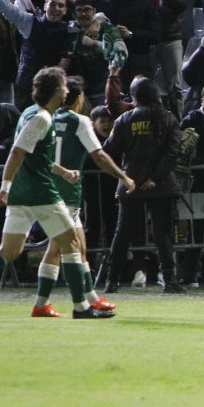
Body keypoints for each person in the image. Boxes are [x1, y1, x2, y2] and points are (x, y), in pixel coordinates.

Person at [0, 68, 130, 321]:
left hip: (21, 194)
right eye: (63, 86)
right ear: (55, 90)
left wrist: (61, 173)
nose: (67, 91)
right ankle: (82, 306)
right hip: (41, 194)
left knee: (9, 250)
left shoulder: (28, 113)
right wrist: (3, 188)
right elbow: (16, 153)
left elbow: (34, 156)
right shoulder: (41, 118)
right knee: (71, 244)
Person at [37, 76, 134, 317]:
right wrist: (124, 177)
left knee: (76, 246)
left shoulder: (49, 118)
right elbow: (99, 156)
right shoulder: (80, 121)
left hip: (52, 189)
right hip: (65, 194)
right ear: (79, 98)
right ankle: (74, 304)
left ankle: (88, 298)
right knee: (63, 248)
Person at [100, 76, 184, 293]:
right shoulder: (168, 118)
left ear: (134, 95)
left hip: (131, 182)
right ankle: (170, 280)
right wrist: (156, 177)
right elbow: (173, 152)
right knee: (163, 234)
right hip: (162, 185)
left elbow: (108, 150)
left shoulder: (124, 119)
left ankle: (112, 280)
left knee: (122, 234)